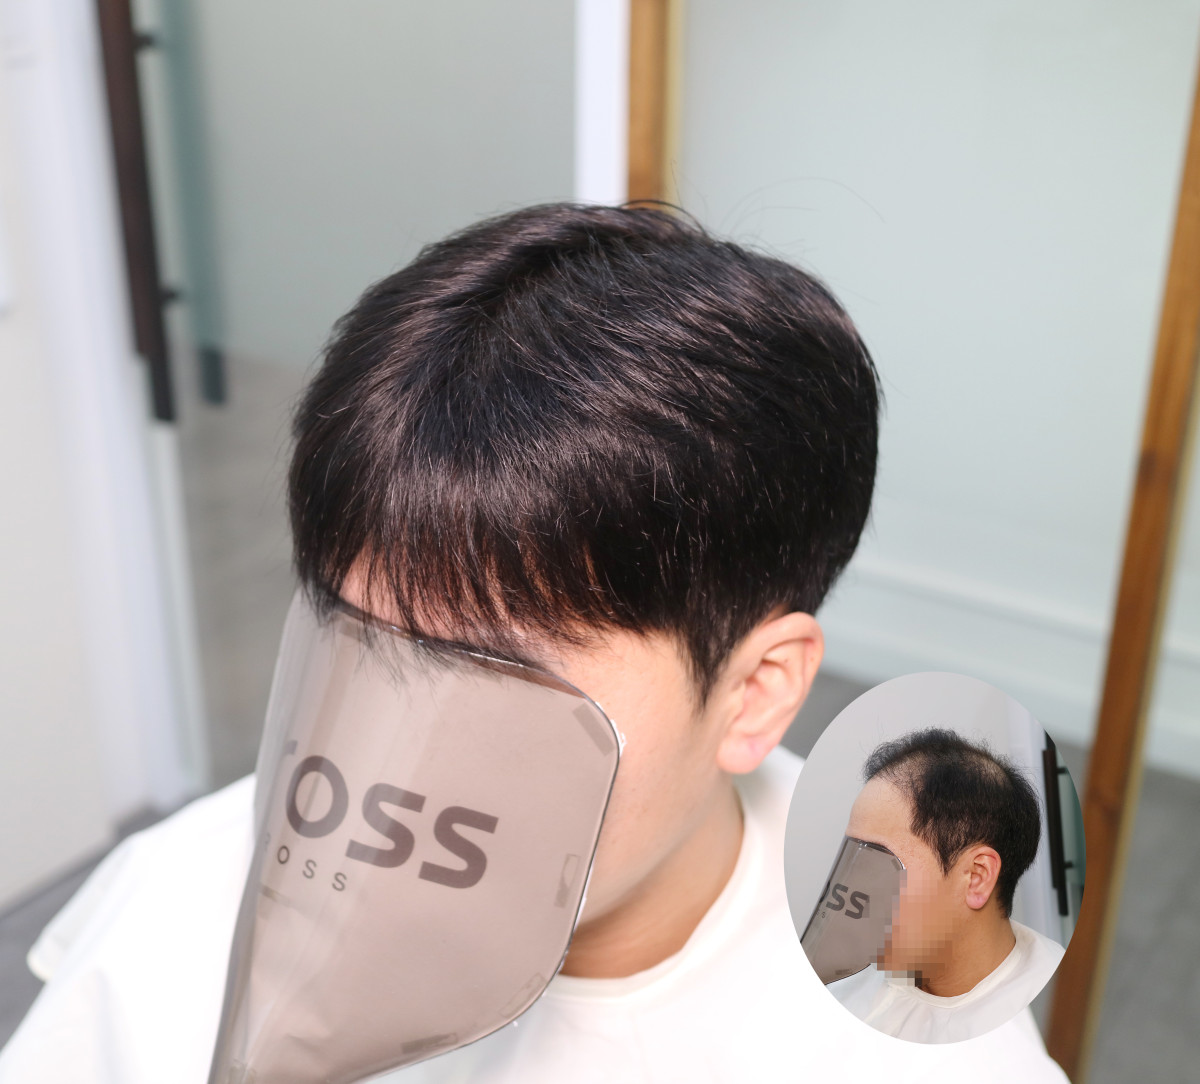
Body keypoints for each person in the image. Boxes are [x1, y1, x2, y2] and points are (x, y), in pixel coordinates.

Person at [0, 204, 1067, 1082]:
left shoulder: (914, 1041)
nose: (400, 774)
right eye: (364, 649)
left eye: (501, 677)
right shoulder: (190, 896)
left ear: (754, 692)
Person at [826, 728, 1067, 1043]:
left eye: (882, 863)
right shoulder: (852, 979)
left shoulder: (1033, 1030)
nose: (855, 896)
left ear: (976, 877)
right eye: (857, 858)